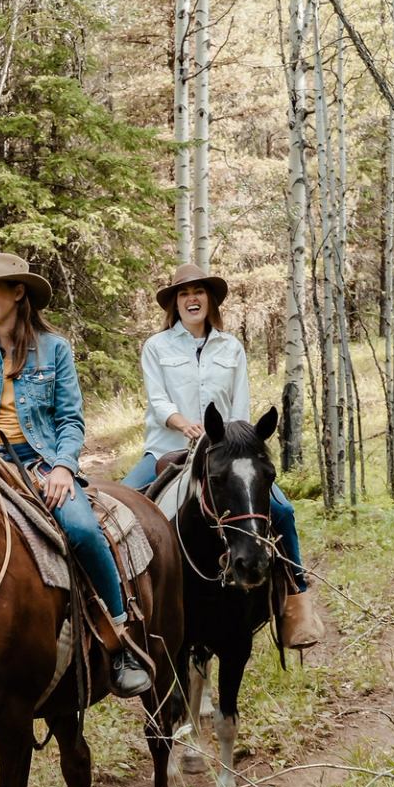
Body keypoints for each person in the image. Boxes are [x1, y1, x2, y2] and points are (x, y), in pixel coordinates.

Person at [0, 251, 153, 698]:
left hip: (39, 462)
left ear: (18, 293)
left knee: (82, 529)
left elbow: (71, 421)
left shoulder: (54, 349)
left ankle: (119, 642)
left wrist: (62, 467)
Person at [123, 263, 321, 649]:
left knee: (282, 511)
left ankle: (296, 600)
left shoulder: (230, 347)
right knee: (123, 507)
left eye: (198, 292)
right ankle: (130, 609)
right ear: (175, 304)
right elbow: (157, 399)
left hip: (223, 450)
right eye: (183, 293)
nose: (191, 298)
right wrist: (183, 424)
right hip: (167, 447)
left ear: (210, 299)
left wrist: (231, 440)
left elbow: (241, 406)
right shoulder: (156, 347)